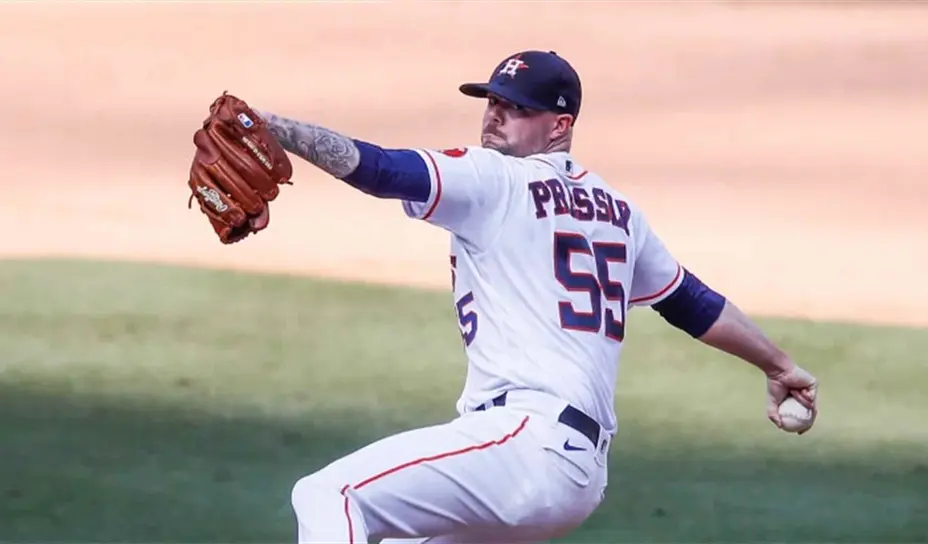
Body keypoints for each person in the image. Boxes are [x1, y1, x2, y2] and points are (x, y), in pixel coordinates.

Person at [257, 50, 819, 544]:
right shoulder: (618, 211)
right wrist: (779, 364)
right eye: (493, 101)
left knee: (330, 496)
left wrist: (271, 126)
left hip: (522, 442)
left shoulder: (494, 179)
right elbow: (689, 302)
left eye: (518, 108)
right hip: (573, 475)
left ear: (560, 125)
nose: (497, 114)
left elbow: (379, 169)